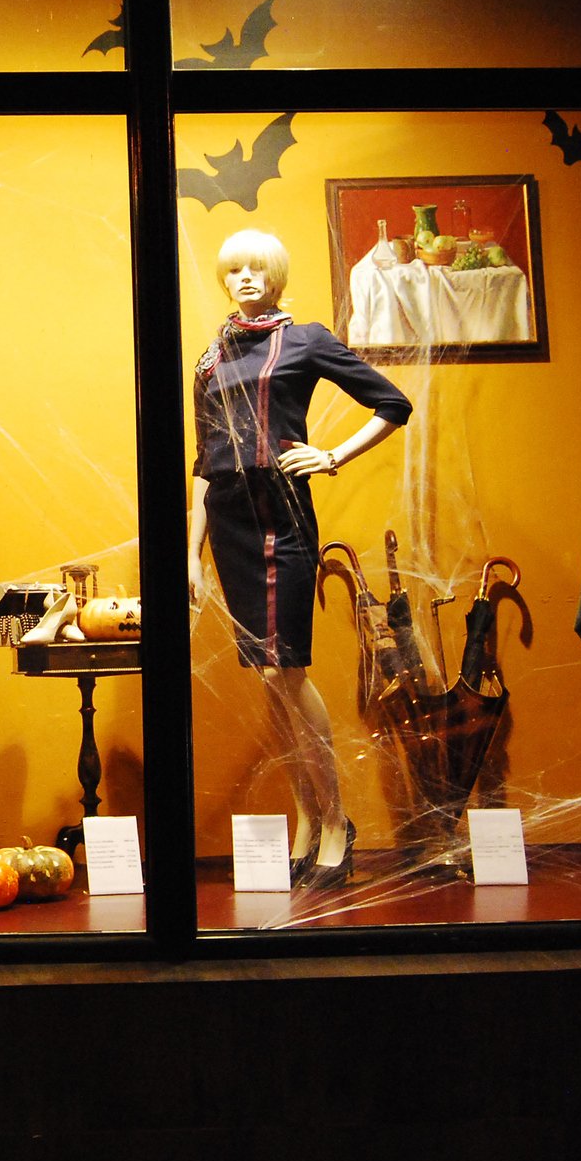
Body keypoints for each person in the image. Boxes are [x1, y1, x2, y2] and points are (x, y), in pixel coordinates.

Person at [186, 229, 411, 888]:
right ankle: (308, 815)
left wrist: (333, 455)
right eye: (234, 269)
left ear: (276, 275)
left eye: (258, 267)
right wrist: (192, 551)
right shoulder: (208, 357)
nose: (245, 277)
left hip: (281, 522)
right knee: (268, 679)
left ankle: (337, 817)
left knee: (288, 671)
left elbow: (392, 403)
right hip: (228, 526)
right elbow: (203, 463)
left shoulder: (305, 338)